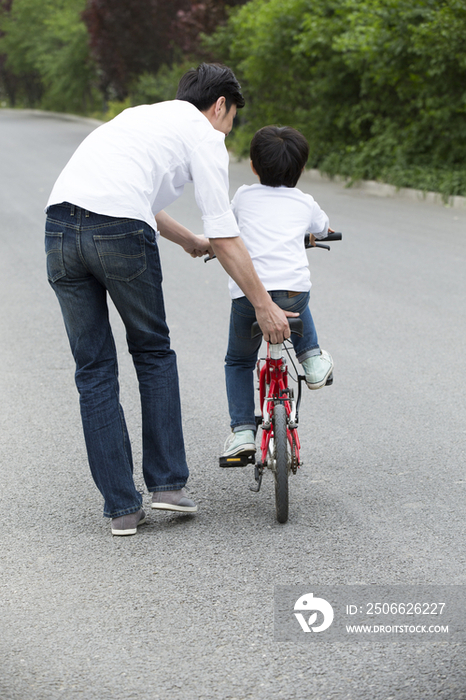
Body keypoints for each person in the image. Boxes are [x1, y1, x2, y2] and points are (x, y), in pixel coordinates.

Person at [45, 63, 296, 535]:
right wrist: (262, 302)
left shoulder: (136, 117)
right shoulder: (204, 134)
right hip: (119, 233)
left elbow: (129, 196)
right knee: (153, 353)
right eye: (231, 118)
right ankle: (166, 488)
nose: (228, 128)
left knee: (93, 369)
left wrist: (184, 239)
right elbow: (224, 233)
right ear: (219, 105)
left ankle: (121, 509)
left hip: (59, 231)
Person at [222, 125, 334, 459]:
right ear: (301, 169)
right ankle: (311, 359)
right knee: (297, 293)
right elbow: (322, 228)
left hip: (248, 297)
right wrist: (317, 232)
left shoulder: (243, 196)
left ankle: (243, 432)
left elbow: (227, 224)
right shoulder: (305, 202)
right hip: (291, 291)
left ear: (254, 167)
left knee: (239, 361)